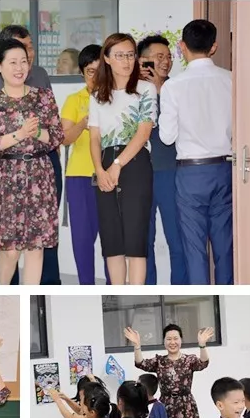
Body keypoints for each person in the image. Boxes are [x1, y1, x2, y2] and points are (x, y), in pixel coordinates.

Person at [0, 24, 62, 285]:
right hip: (7, 177)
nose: (19, 67)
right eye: (12, 62)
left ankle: (28, 298)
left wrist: (37, 133)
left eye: (23, 61)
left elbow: (57, 135)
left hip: (39, 175)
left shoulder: (43, 97)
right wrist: (20, 134)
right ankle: (3, 293)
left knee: (36, 247)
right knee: (10, 248)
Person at [158, 20, 233, 285]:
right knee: (225, 246)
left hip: (191, 173)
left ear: (182, 46)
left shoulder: (173, 86)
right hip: (225, 167)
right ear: (214, 47)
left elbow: (166, 137)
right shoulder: (231, 80)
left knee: (194, 247)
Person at [89, 33, 157, 285]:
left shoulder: (145, 89)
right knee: (112, 240)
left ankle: (136, 294)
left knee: (135, 240)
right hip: (105, 164)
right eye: (120, 55)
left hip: (135, 163)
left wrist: (117, 165)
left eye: (130, 55)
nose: (127, 61)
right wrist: (100, 169)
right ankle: (118, 291)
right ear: (107, 59)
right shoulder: (97, 95)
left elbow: (143, 132)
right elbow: (94, 138)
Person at [136, 35, 187, 286]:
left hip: (171, 172)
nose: (166, 61)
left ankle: (181, 287)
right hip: (140, 174)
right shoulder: (132, 92)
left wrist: (159, 89)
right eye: (159, 57)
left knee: (177, 240)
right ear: (142, 61)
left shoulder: (178, 89)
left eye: (168, 57)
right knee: (143, 242)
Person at [61, 44, 110, 285]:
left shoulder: (115, 98)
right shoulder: (74, 100)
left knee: (112, 239)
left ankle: (114, 287)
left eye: (100, 71)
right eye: (90, 71)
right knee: (82, 240)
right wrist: (84, 122)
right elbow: (64, 138)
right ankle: (86, 287)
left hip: (109, 175)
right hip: (79, 177)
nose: (95, 76)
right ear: (81, 72)